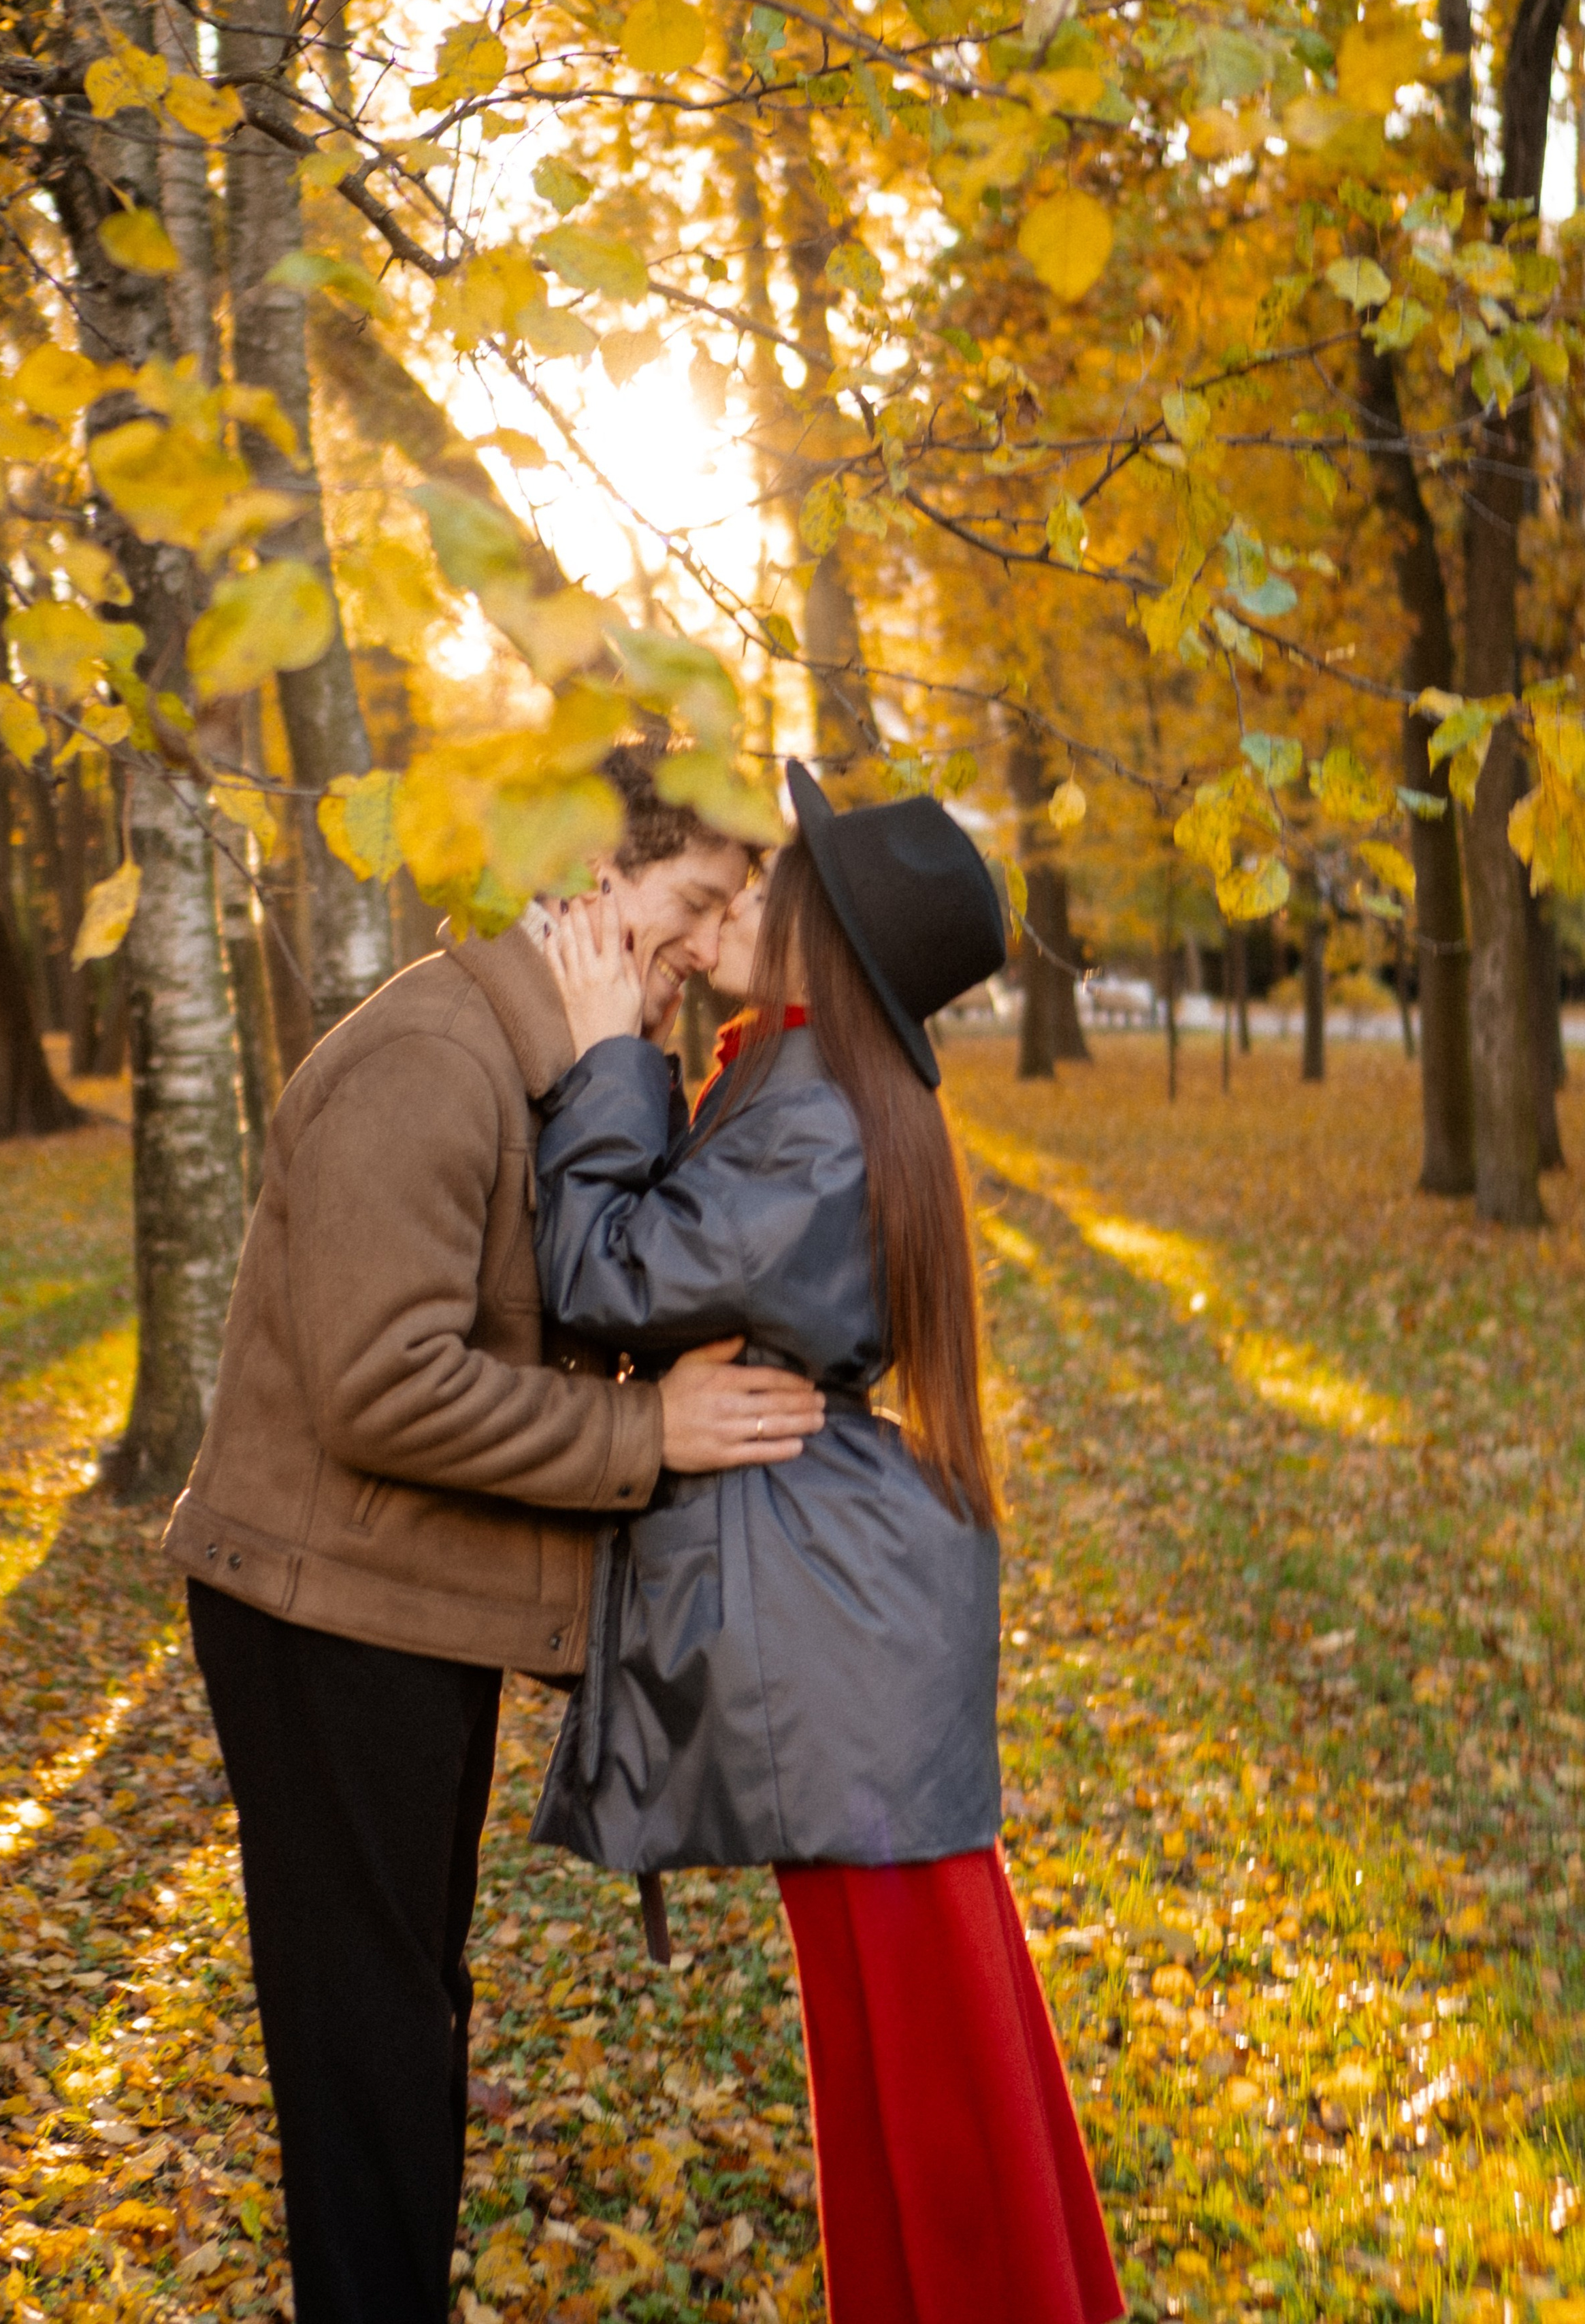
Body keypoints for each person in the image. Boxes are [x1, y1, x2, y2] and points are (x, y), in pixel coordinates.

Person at [162, 745, 826, 2324]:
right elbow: (382, 1388)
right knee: (368, 2041)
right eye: (691, 903)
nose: (707, 945)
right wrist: (646, 1438)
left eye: (725, 912)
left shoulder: (565, 1057)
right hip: (321, 1618)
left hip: (402, 1603)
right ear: (592, 880)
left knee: (406, 2012)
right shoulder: (430, 1058)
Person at [528, 760, 1123, 2324]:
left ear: (824, 943)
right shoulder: (785, 1082)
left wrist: (605, 1054)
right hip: (843, 1624)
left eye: (770, 884)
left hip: (842, 1641)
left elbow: (606, 1272)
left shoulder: (809, 1116)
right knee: (898, 2051)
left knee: (930, 2065)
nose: (740, 895)